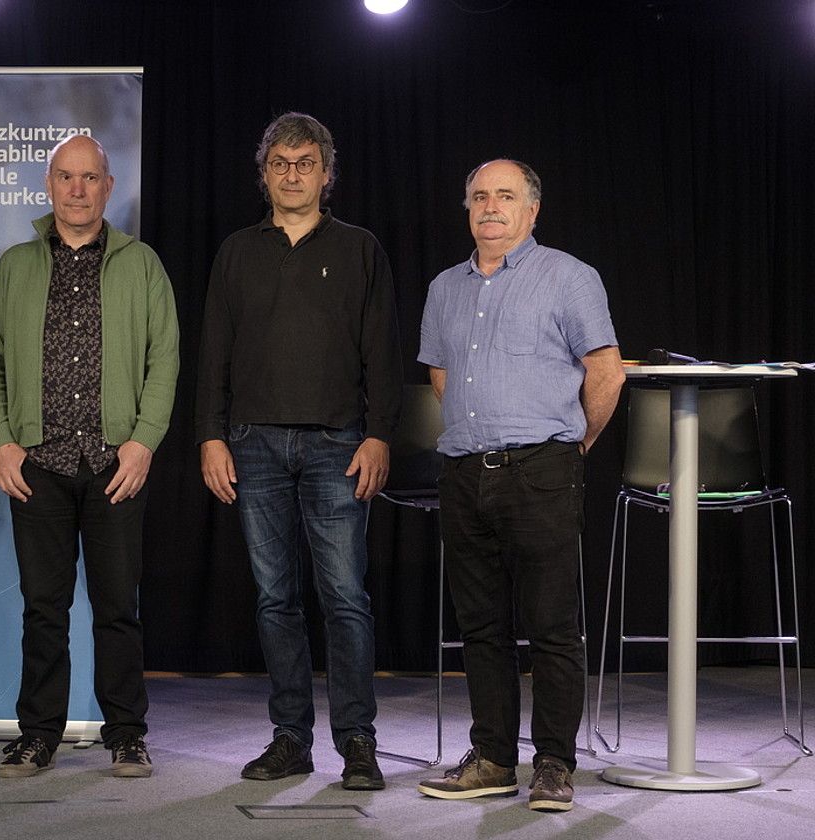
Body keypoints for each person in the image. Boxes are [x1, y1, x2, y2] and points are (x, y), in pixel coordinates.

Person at [195, 112, 402, 790]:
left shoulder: (360, 249)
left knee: (344, 597)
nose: (292, 174)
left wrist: (378, 434)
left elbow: (382, 351)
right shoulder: (236, 252)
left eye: (304, 162)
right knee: (275, 598)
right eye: (280, 163)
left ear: (326, 173)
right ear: (265, 174)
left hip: (339, 445)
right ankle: (290, 738)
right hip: (252, 445)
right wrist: (209, 436)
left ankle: (358, 742)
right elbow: (213, 357)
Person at [416, 159, 624, 812]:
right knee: (482, 629)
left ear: (532, 210)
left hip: (542, 472)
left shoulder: (569, 277)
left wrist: (572, 446)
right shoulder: (443, 287)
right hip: (463, 476)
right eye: (479, 196)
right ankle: (495, 760)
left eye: (505, 196)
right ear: (467, 209)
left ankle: (555, 767)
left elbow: (606, 373)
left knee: (553, 628)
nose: (490, 207)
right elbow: (441, 377)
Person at [0, 134, 178, 779]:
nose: (78, 189)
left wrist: (143, 442)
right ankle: (37, 736)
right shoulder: (15, 265)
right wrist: (1, 441)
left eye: (90, 178)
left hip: (117, 464)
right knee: (44, 609)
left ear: (108, 186)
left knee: (119, 608)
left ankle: (126, 735)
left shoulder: (141, 263)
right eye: (66, 177)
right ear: (50, 185)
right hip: (40, 464)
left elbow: (164, 359)